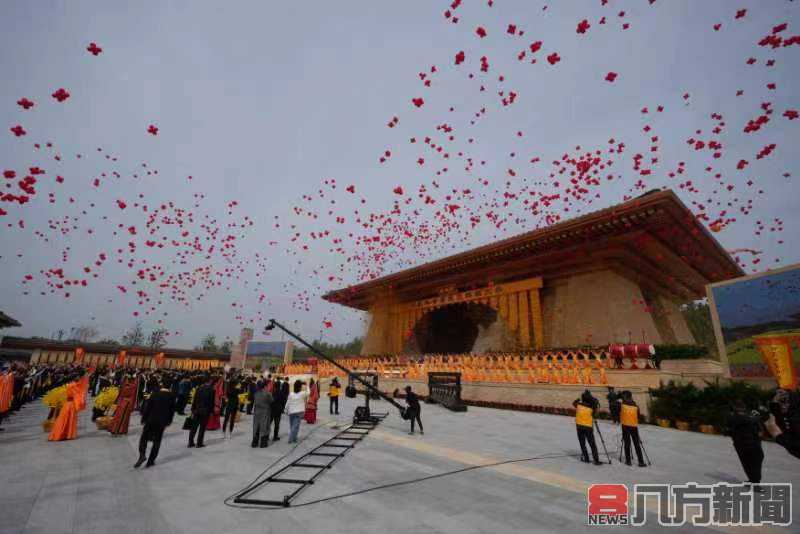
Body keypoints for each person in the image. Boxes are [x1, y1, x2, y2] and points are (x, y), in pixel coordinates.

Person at [136, 379, 176, 468]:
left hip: (151, 419)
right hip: (162, 422)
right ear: (170, 386)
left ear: (162, 385)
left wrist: (143, 418)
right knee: (157, 441)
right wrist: (168, 421)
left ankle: (142, 454)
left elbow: (148, 407)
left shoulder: (155, 393)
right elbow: (172, 411)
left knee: (144, 438)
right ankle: (151, 461)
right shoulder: (171, 396)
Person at [726, 400, 763, 486]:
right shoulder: (752, 417)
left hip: (742, 445)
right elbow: (759, 429)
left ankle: (755, 482)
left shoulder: (732, 417)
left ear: (734, 408)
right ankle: (754, 481)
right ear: (744, 408)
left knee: (748, 464)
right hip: (754, 445)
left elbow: (727, 431)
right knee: (755, 465)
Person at [764, 389, 800, 459]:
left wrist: (779, 437)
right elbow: (777, 416)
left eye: (785, 400)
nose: (782, 406)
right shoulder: (790, 415)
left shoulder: (795, 417)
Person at [573, 390, 602, 465]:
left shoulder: (578, 405)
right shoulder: (591, 408)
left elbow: (574, 403)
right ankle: (596, 460)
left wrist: (578, 399)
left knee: (582, 443)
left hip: (579, 426)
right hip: (588, 427)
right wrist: (596, 404)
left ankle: (586, 458)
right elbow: (596, 416)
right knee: (592, 444)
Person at [620, 390, 646, 467]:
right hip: (634, 426)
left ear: (625, 397)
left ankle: (628, 461)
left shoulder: (622, 405)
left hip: (625, 426)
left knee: (627, 443)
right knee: (637, 444)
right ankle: (641, 461)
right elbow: (638, 416)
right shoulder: (636, 406)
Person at [188, 376, 215, 448]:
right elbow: (211, 402)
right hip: (205, 411)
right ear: (210, 381)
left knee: (194, 427)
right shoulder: (212, 390)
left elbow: (195, 399)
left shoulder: (199, 388)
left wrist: (193, 409)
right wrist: (212, 411)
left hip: (197, 410)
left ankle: (190, 442)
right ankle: (199, 443)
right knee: (202, 428)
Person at [251, 380, 273, 448]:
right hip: (265, 412)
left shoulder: (256, 393)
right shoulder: (268, 393)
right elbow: (271, 401)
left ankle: (254, 442)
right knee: (264, 427)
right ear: (265, 386)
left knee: (256, 426)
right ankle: (263, 443)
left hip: (257, 412)